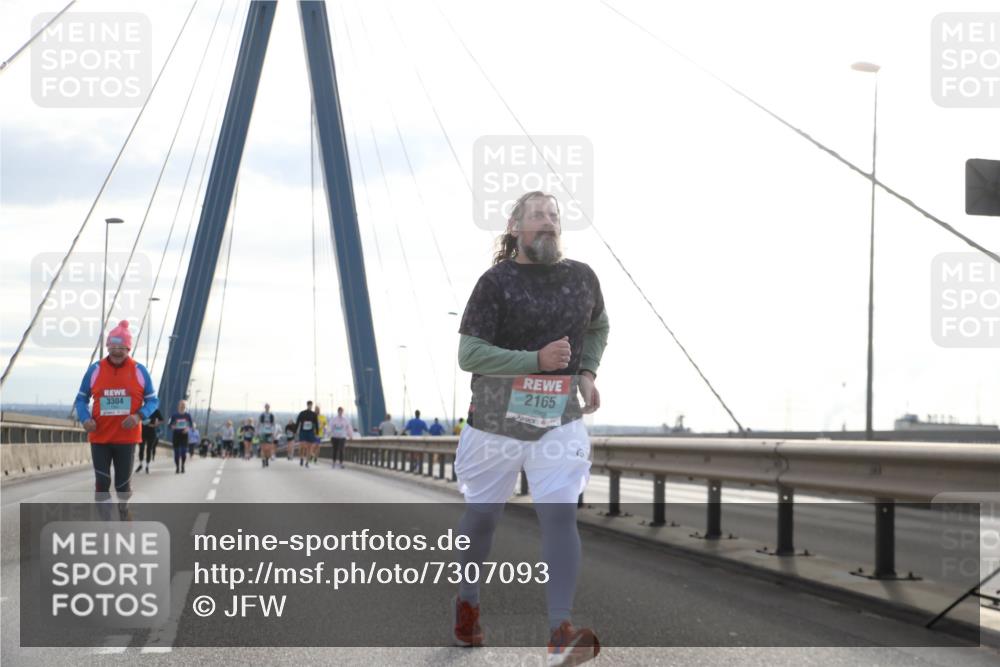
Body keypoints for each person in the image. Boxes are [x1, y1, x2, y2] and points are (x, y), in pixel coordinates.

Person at [450, 191, 608, 664]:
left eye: (555, 216)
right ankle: (468, 605)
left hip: (557, 419)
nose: (549, 222)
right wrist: (535, 361)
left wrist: (586, 371)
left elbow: (598, 326)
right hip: (495, 418)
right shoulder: (495, 282)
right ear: (516, 227)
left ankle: (561, 629)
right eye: (538, 215)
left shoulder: (583, 278)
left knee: (560, 514)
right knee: (483, 518)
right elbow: (469, 355)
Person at [74, 320, 159, 520]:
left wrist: (139, 415)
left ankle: (123, 510)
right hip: (99, 437)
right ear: (107, 347)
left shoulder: (139, 370)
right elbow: (81, 399)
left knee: (122, 486)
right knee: (102, 483)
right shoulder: (95, 369)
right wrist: (85, 418)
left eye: (122, 347)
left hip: (126, 439)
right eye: (113, 347)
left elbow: (153, 401)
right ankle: (106, 523)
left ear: (129, 348)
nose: (117, 351)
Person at [168, 400, 194, 474]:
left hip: (184, 435)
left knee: (183, 452)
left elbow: (191, 425)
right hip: (176, 435)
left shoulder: (188, 415)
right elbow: (169, 425)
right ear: (178, 406)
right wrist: (172, 426)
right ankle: (177, 467)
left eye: (184, 405)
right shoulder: (174, 415)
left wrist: (188, 428)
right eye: (181, 405)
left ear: (185, 406)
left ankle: (182, 465)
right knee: (176, 453)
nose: (182, 406)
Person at [136, 407, 163, 474]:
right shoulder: (141, 409)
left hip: (151, 432)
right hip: (142, 432)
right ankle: (141, 464)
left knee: (149, 449)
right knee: (141, 448)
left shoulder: (155, 410)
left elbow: (161, 419)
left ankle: (147, 466)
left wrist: (156, 424)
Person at [295, 400, 319, 468]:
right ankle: (301, 458)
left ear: (312, 406)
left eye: (311, 405)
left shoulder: (314, 414)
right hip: (303, 431)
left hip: (310, 432)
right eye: (309, 405)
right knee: (302, 446)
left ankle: (307, 462)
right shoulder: (302, 413)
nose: (310, 406)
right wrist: (296, 430)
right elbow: (297, 422)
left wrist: (317, 433)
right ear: (307, 405)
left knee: (309, 447)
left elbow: (316, 424)